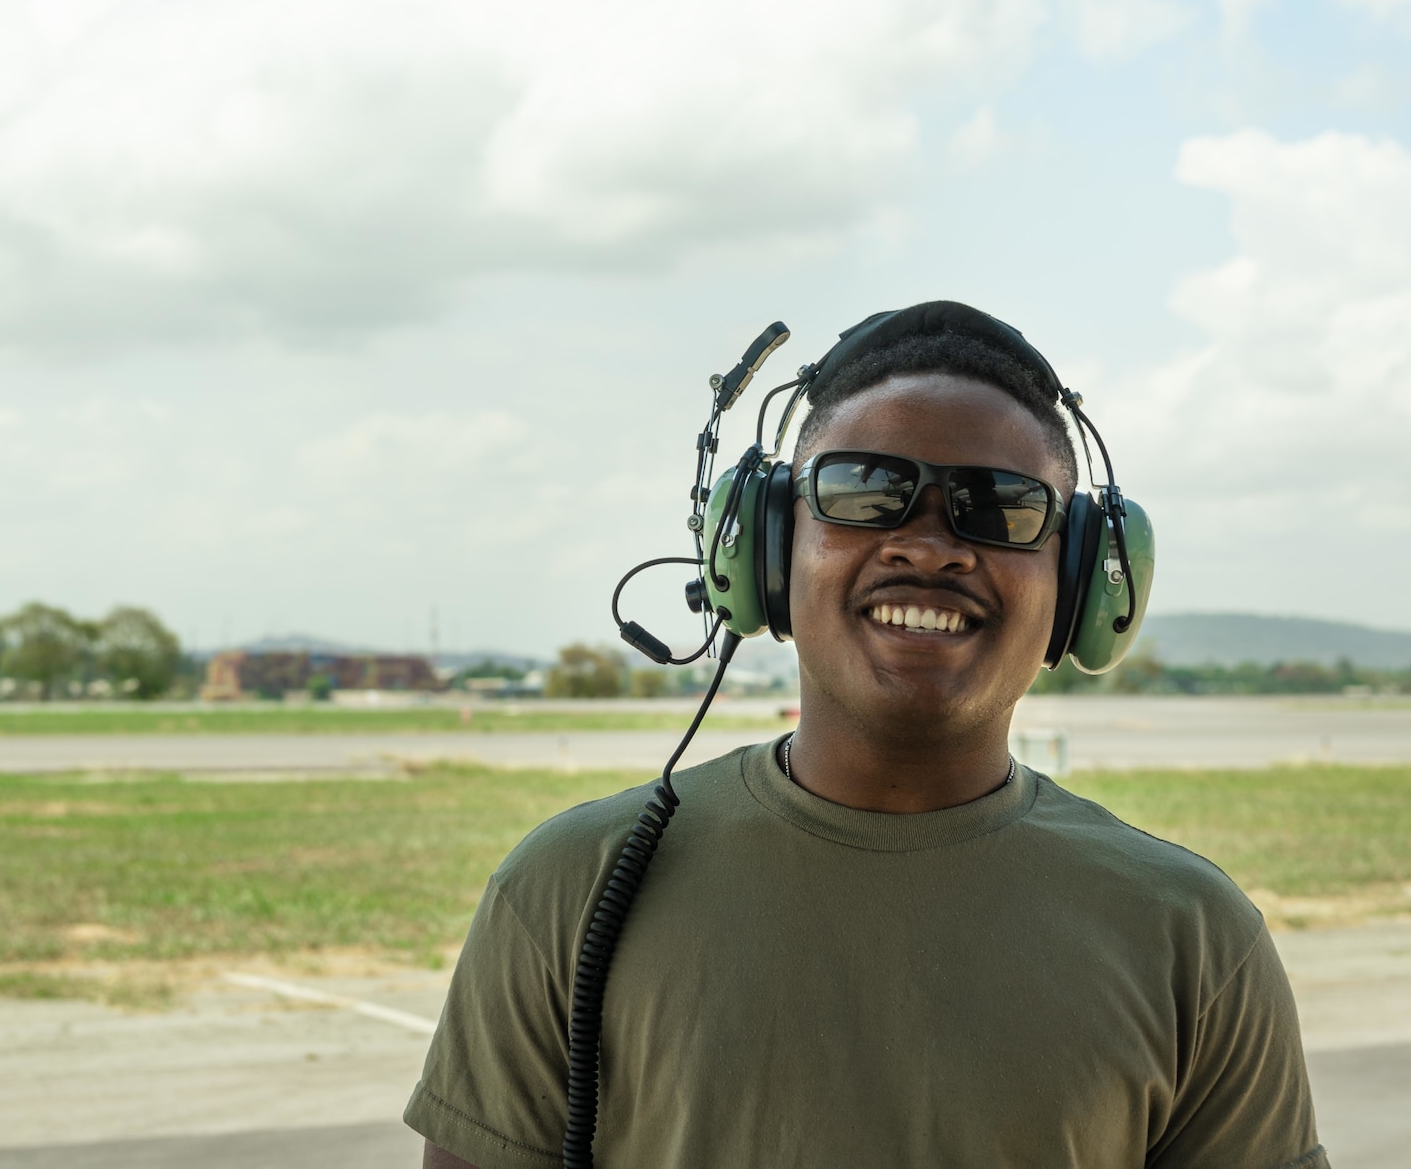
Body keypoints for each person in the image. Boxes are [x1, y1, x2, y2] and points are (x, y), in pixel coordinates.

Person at [407, 307, 1327, 1168]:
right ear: (764, 548)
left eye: (1002, 507)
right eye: (862, 492)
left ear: (1082, 580)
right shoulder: (569, 889)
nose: (929, 548)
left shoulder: (1192, 937)